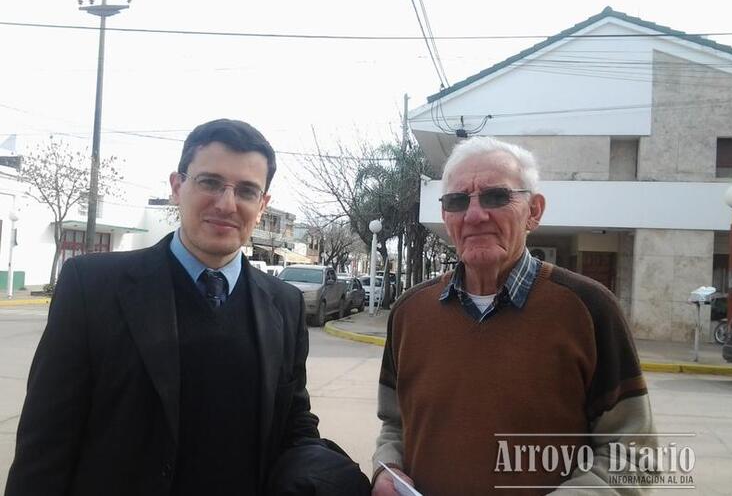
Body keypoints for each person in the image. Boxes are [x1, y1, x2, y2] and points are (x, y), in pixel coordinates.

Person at [6, 119, 369, 496]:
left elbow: (293, 420)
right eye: (210, 182)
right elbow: (46, 440)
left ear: (262, 205)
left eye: (246, 191)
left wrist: (337, 475)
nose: (226, 204)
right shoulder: (92, 287)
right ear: (177, 187)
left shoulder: (283, 303)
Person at [372, 137, 656, 495]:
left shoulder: (589, 309)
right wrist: (387, 469)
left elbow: (632, 456)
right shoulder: (409, 312)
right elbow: (395, 425)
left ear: (534, 211)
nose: (474, 215)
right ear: (446, 217)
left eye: (496, 196)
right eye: (457, 201)